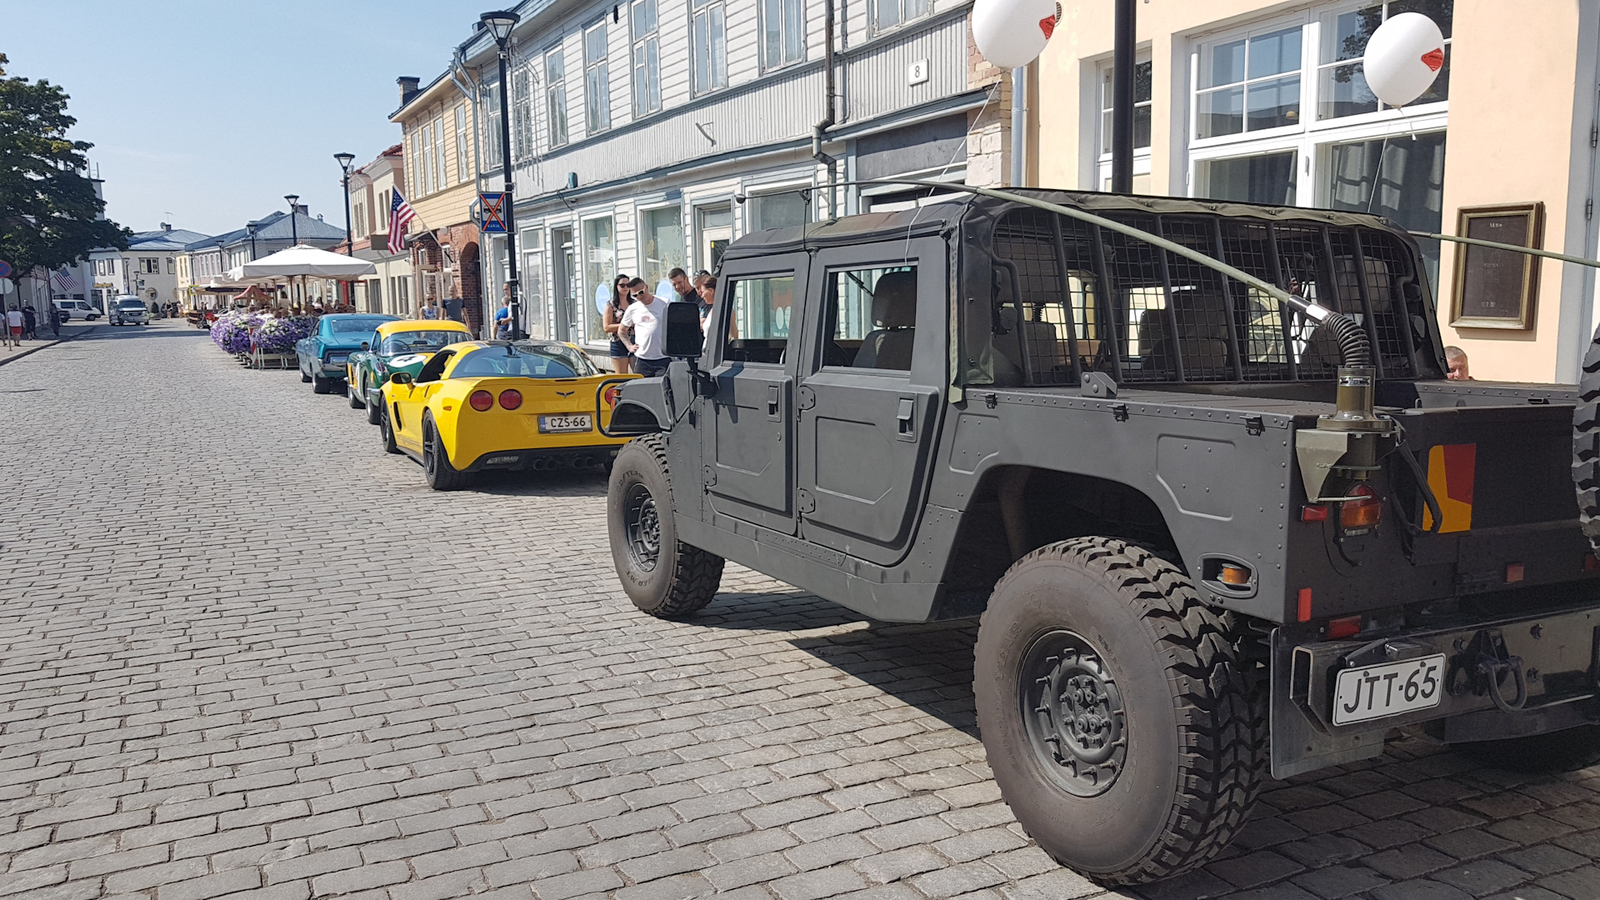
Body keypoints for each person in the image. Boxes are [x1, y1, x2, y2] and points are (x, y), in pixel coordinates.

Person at [620, 278, 671, 377]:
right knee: (643, 390)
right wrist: (629, 346)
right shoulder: (633, 309)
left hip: (663, 357)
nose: (639, 297)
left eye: (641, 292)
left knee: (663, 389)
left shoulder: (665, 303)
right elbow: (622, 331)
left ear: (646, 288)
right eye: (635, 295)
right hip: (642, 359)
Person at [603, 274, 634, 374]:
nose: (625, 288)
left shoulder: (634, 303)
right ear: (616, 286)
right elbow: (606, 327)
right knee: (622, 377)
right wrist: (625, 325)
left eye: (628, 285)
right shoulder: (611, 305)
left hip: (635, 341)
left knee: (638, 375)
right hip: (618, 342)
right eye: (622, 285)